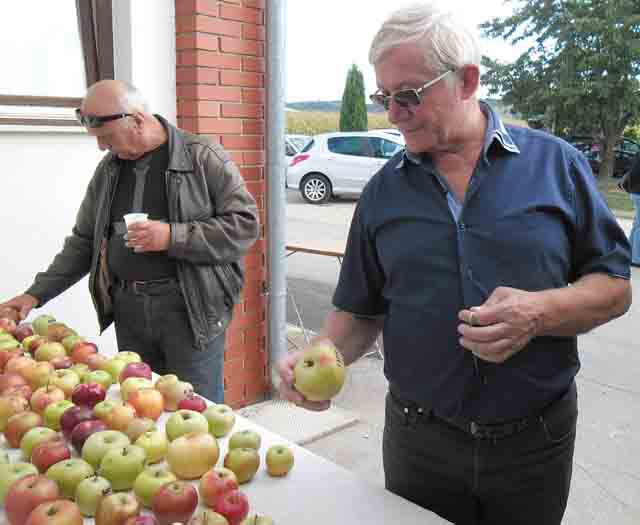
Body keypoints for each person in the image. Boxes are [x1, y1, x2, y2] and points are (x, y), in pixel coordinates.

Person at [277, 4, 632, 525]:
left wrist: (542, 311)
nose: (393, 113)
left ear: (467, 80)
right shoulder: (381, 193)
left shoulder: (557, 165)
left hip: (535, 440)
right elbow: (358, 313)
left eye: (408, 95)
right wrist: (318, 359)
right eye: (384, 97)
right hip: (419, 441)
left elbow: (615, 286)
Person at [0, 80, 259, 403]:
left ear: (136, 120)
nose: (101, 148)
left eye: (106, 138)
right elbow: (83, 242)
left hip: (189, 310)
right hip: (129, 309)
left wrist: (172, 236)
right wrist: (35, 295)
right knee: (141, 407)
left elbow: (245, 226)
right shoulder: (109, 170)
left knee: (196, 409)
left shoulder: (202, 157)